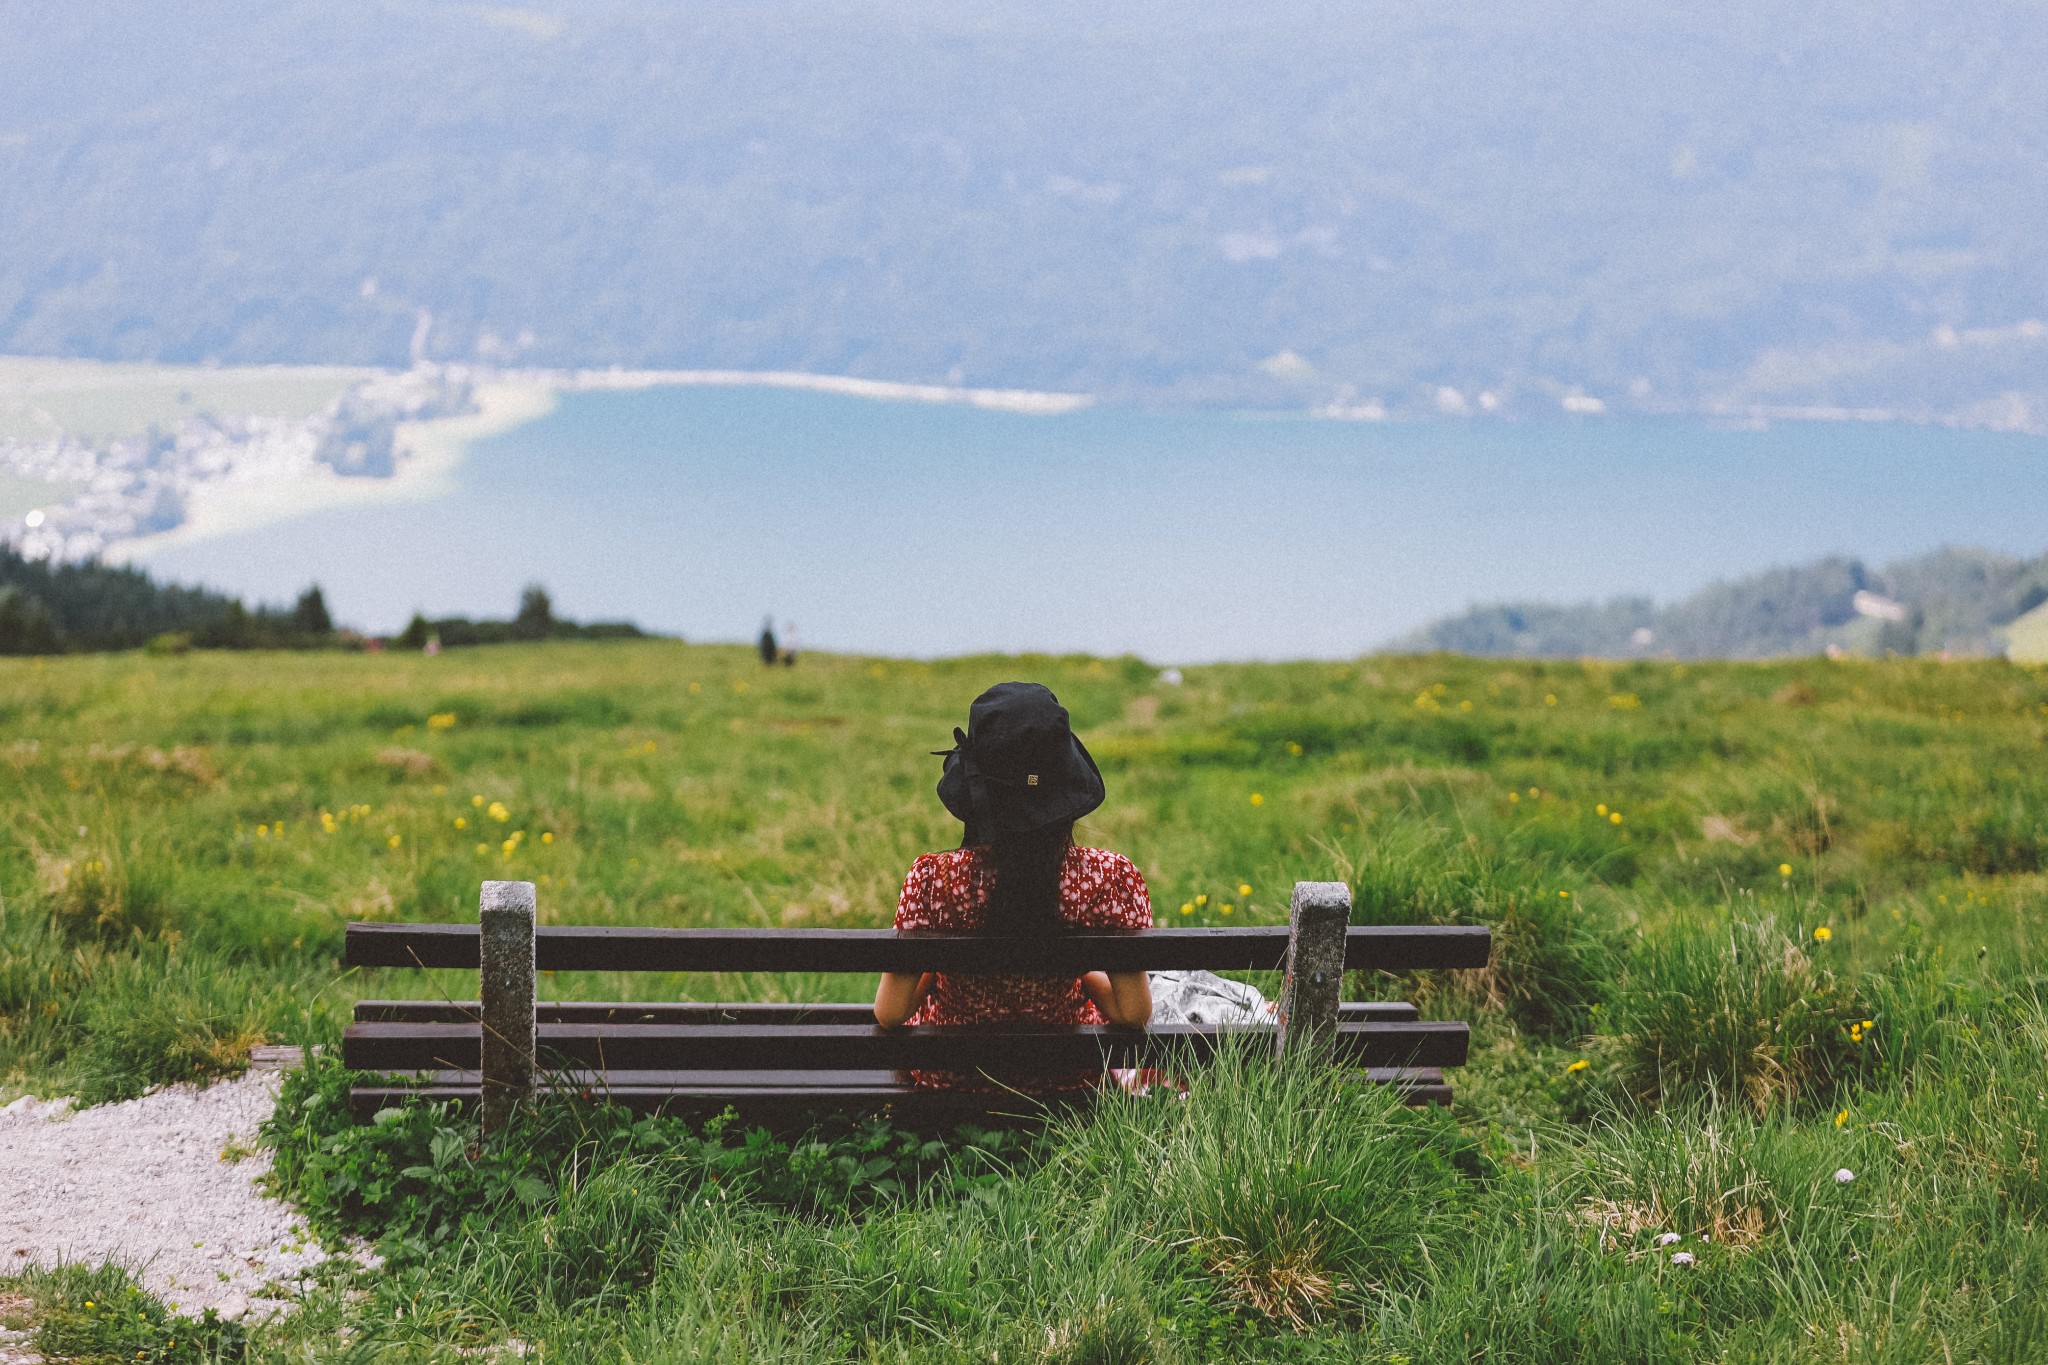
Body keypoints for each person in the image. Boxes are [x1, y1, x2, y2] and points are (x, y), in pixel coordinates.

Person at [874, 682, 1152, 1090]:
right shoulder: (1110, 878)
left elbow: (891, 1013)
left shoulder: (934, 880)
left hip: (951, 1080)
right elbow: (1132, 1013)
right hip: (1066, 1080)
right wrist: (1082, 973)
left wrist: (937, 968)